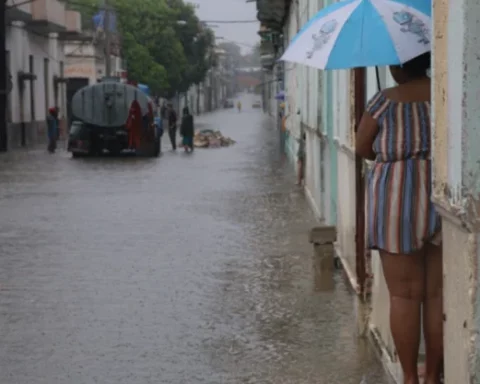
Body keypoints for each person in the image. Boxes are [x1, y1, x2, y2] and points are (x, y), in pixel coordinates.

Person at [356, 52, 442, 384]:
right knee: (436, 294)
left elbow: (363, 146)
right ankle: (433, 375)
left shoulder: (383, 101)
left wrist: (391, 153)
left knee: (405, 295)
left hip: (396, 198)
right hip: (440, 192)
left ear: (396, 67)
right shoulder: (442, 93)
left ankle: (410, 378)